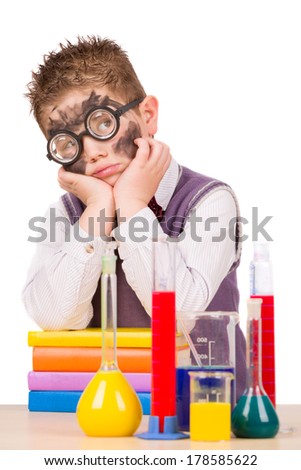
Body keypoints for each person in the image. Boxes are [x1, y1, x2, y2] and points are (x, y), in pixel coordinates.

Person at [22, 36, 246, 396]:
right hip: (106, 412)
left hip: (204, 412)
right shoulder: (66, 216)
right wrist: (97, 211)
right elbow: (56, 317)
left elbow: (180, 314)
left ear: (148, 115)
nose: (91, 154)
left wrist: (133, 206)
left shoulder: (209, 201)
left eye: (102, 123)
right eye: (67, 143)